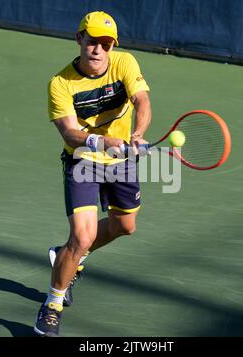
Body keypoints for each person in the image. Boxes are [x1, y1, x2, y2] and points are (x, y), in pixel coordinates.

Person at [34, 10, 152, 337]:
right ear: (79, 39)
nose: (98, 50)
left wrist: (137, 135)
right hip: (82, 161)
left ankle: (64, 255)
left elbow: (142, 101)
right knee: (83, 236)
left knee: (124, 226)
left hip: (121, 163)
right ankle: (52, 304)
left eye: (105, 43)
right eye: (92, 42)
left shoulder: (124, 63)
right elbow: (70, 134)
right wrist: (102, 140)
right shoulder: (60, 83)